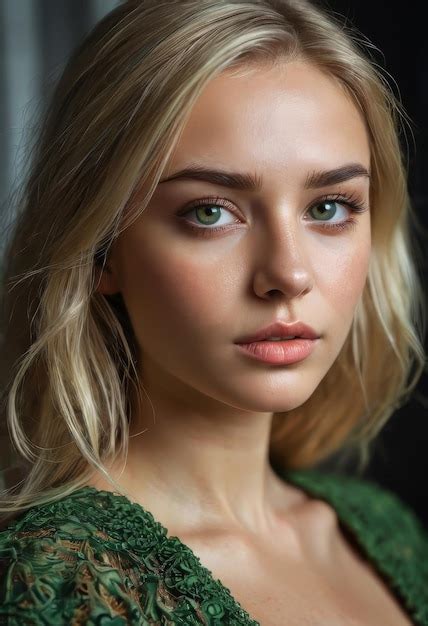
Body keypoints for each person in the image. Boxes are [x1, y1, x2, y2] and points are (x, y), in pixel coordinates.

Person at [0, 0, 427, 624]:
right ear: (100, 249)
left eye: (330, 206)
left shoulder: (386, 533)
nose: (288, 274)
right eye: (210, 212)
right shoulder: (56, 584)